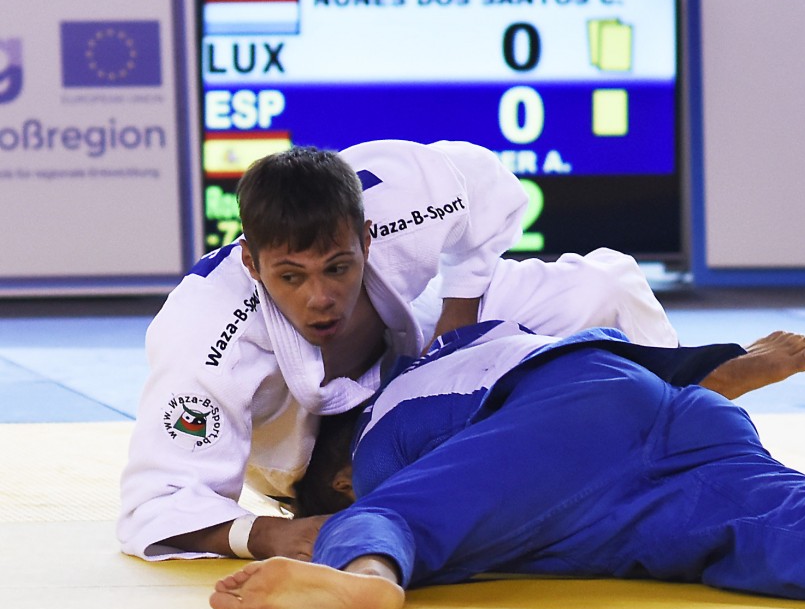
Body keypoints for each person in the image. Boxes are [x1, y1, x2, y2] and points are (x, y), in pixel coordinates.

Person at [208, 321, 805, 609]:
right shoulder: (484, 336)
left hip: (565, 420)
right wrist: (730, 372)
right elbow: (630, 381)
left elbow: (437, 490)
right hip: (665, 427)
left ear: (330, 476)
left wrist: (353, 527)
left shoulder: (384, 431)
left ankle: (361, 581)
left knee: (406, 512)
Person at [119, 140, 689, 563]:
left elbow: (486, 186)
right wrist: (265, 535)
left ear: (367, 237)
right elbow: (156, 500)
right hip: (301, 439)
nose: (320, 299)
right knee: (401, 503)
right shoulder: (207, 339)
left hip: (413, 332)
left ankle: (684, 424)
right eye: (290, 276)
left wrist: (457, 318)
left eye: (337, 268)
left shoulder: (401, 196)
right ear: (251, 263)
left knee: (601, 290)